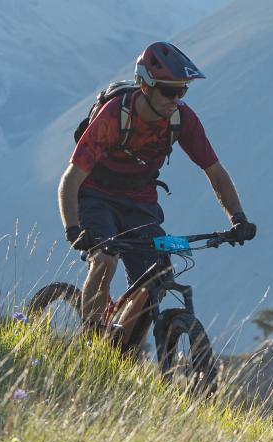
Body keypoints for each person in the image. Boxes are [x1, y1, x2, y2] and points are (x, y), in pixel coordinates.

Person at [57, 41, 256, 351]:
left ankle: (118, 344)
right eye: (168, 90)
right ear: (145, 85)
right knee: (105, 259)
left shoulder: (182, 119)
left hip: (140, 202)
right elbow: (71, 180)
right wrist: (73, 228)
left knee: (158, 275)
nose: (176, 99)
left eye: (182, 91)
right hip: (96, 196)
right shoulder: (113, 116)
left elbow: (215, 171)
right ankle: (92, 344)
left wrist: (238, 218)